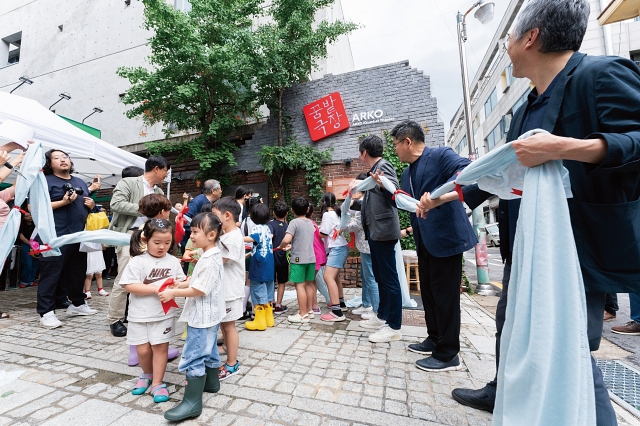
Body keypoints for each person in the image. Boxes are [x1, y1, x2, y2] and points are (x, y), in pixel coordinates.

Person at [451, 1, 640, 422]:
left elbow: (634, 140)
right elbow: (498, 171)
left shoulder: (601, 75)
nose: (508, 47)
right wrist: (445, 197)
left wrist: (564, 147)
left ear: (531, 37)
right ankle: (505, 392)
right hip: (527, 248)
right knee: (515, 330)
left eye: (510, 38)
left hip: (579, 248)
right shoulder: (526, 107)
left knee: (569, 349)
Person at [385, 120, 476, 368]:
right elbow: (408, 202)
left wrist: (439, 198)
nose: (395, 150)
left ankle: (448, 353)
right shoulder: (406, 173)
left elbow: (467, 172)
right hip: (423, 238)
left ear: (408, 141)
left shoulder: (440, 155)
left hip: (446, 237)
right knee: (429, 292)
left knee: (445, 296)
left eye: (395, 144)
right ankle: (434, 338)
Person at [159, 213, 226, 421]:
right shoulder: (210, 254)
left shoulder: (209, 259)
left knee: (194, 354)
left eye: (196, 231)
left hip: (202, 316)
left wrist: (173, 293)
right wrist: (183, 284)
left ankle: (192, 402)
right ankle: (212, 383)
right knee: (209, 349)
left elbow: (201, 289)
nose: (192, 235)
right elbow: (198, 280)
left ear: (212, 234)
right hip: (211, 315)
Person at [120, 218, 186, 404]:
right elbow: (130, 286)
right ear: (144, 239)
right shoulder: (137, 262)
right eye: (157, 242)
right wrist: (156, 289)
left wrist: (178, 286)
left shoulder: (173, 261)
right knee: (142, 350)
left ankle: (157, 382)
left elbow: (180, 282)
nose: (162, 247)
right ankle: (146, 374)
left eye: (167, 243)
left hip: (163, 315)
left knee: (160, 347)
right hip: (139, 315)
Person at [347, 135, 402, 343]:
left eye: (359, 153)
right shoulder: (372, 172)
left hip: (383, 230)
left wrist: (373, 184)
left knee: (388, 279)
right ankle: (382, 317)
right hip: (375, 231)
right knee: (380, 277)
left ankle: (394, 326)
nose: (359, 157)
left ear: (364, 153)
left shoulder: (384, 167)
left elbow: (394, 194)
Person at [37, 149, 100, 328]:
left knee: (77, 271)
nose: (63, 160)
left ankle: (78, 304)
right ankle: (46, 312)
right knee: (51, 273)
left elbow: (85, 205)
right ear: (50, 163)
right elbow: (36, 207)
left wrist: (92, 205)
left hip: (78, 234)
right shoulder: (45, 181)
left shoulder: (79, 181)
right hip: (54, 235)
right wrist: (64, 202)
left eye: (65, 157)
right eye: (56, 158)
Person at [106, 156, 168, 337]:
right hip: (128, 235)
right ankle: (114, 319)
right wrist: (146, 208)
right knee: (125, 278)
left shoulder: (159, 190)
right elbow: (115, 204)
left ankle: (136, 314)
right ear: (157, 169)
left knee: (147, 277)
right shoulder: (128, 182)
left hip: (149, 236)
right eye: (166, 171)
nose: (166, 175)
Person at [211, 196, 245, 380]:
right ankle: (226, 350)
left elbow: (220, 260)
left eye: (215, 215)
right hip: (224, 288)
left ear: (227, 215)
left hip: (230, 289)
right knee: (225, 324)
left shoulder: (232, 237)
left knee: (229, 326)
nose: (212, 219)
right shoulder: (227, 235)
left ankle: (232, 363)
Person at [342, 173, 379, 320]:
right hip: (367, 245)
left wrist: (342, 227)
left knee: (370, 278)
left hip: (367, 245)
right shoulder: (369, 199)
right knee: (365, 276)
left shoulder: (364, 201)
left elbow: (356, 224)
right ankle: (366, 303)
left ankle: (376, 311)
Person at [278, 197, 316, 323]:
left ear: (293, 210)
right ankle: (310, 311)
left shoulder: (294, 222)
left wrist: (282, 246)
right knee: (309, 284)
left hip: (299, 260)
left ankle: (302, 314)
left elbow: (287, 239)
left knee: (300, 285)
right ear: (308, 209)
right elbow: (302, 240)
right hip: (311, 258)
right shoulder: (311, 222)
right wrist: (291, 246)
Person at [243, 203, 275, 331]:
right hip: (269, 265)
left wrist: (236, 238)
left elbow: (252, 238)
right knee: (267, 293)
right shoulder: (268, 228)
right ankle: (269, 319)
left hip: (258, 266)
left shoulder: (256, 228)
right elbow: (262, 244)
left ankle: (259, 322)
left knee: (257, 292)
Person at [319, 192, 348, 322]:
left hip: (336, 248)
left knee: (328, 276)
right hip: (341, 246)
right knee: (335, 276)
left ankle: (336, 311)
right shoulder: (337, 213)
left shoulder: (327, 214)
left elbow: (323, 233)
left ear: (324, 203)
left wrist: (314, 230)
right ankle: (341, 304)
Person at [268, 200, 290, 314]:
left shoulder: (270, 225)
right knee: (281, 282)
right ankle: (278, 305)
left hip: (271, 258)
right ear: (286, 214)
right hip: (283, 258)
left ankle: (270, 303)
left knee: (271, 280)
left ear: (273, 213)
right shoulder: (288, 226)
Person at [307, 204, 325, 316]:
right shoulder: (313, 223)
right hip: (319, 254)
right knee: (312, 281)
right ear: (312, 213)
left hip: (314, 255)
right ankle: (314, 305)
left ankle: (313, 306)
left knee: (309, 282)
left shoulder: (306, 224)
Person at [18, 204, 38, 288]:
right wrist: (30, 243)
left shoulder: (36, 225)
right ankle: (24, 281)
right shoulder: (22, 225)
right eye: (27, 216)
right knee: (27, 264)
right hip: (26, 245)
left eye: (30, 215)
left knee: (35, 264)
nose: (29, 217)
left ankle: (31, 280)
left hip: (36, 246)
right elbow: (21, 236)